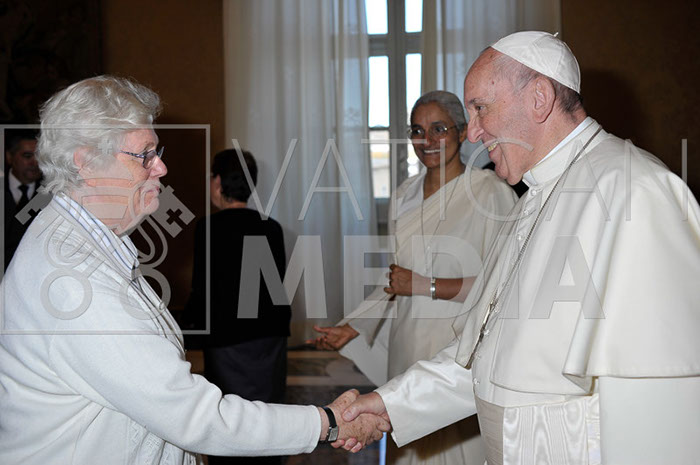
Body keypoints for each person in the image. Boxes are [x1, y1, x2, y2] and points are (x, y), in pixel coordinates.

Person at [339, 31, 700, 464]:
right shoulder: (531, 199)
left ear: (539, 98)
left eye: (480, 108)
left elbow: (659, 408)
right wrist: (388, 406)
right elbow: (482, 361)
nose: (473, 133)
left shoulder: (634, 191)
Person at [0, 75, 389, 465]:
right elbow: (192, 416)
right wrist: (328, 423)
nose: (162, 167)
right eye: (144, 155)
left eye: (157, 151)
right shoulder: (72, 281)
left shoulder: (83, 239)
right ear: (86, 163)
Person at [310, 90, 517, 464]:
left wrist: (425, 285)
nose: (427, 140)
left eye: (439, 128)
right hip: (407, 344)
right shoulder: (404, 194)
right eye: (417, 131)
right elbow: (395, 279)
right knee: (409, 447)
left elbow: (503, 285)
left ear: (462, 131)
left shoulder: (491, 193)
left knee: (459, 449)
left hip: (458, 348)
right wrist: (354, 326)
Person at [183, 148, 292, 465]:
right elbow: (275, 287)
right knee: (269, 417)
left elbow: (202, 290)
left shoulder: (208, 228)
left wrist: (182, 333)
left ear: (218, 182)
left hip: (227, 340)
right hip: (269, 338)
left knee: (229, 422)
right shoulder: (272, 227)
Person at [3, 129, 44, 269]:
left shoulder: (51, 193)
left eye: (39, 156)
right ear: (9, 157)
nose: (35, 162)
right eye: (27, 156)